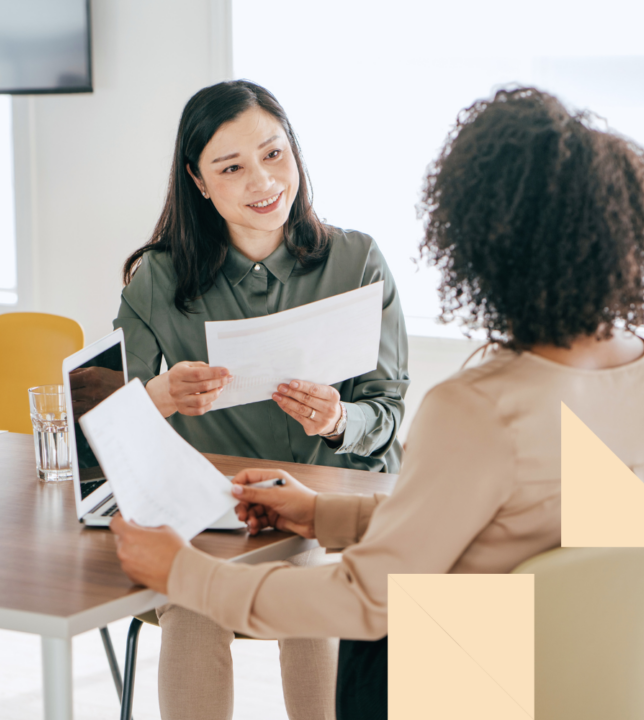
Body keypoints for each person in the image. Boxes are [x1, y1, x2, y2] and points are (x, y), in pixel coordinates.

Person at [111, 87, 644, 720]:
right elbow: (499, 528)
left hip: (467, 688)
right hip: (590, 685)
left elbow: (365, 600)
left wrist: (184, 574)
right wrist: (322, 513)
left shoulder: (477, 408)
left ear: (473, 245)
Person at [112, 80, 409, 720]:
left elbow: (386, 414)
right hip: (213, 515)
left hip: (326, 507)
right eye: (232, 167)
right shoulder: (157, 280)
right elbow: (107, 429)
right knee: (191, 603)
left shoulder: (357, 260)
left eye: (274, 154)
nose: (262, 180)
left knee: (312, 587)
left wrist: (338, 420)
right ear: (198, 180)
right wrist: (160, 397)